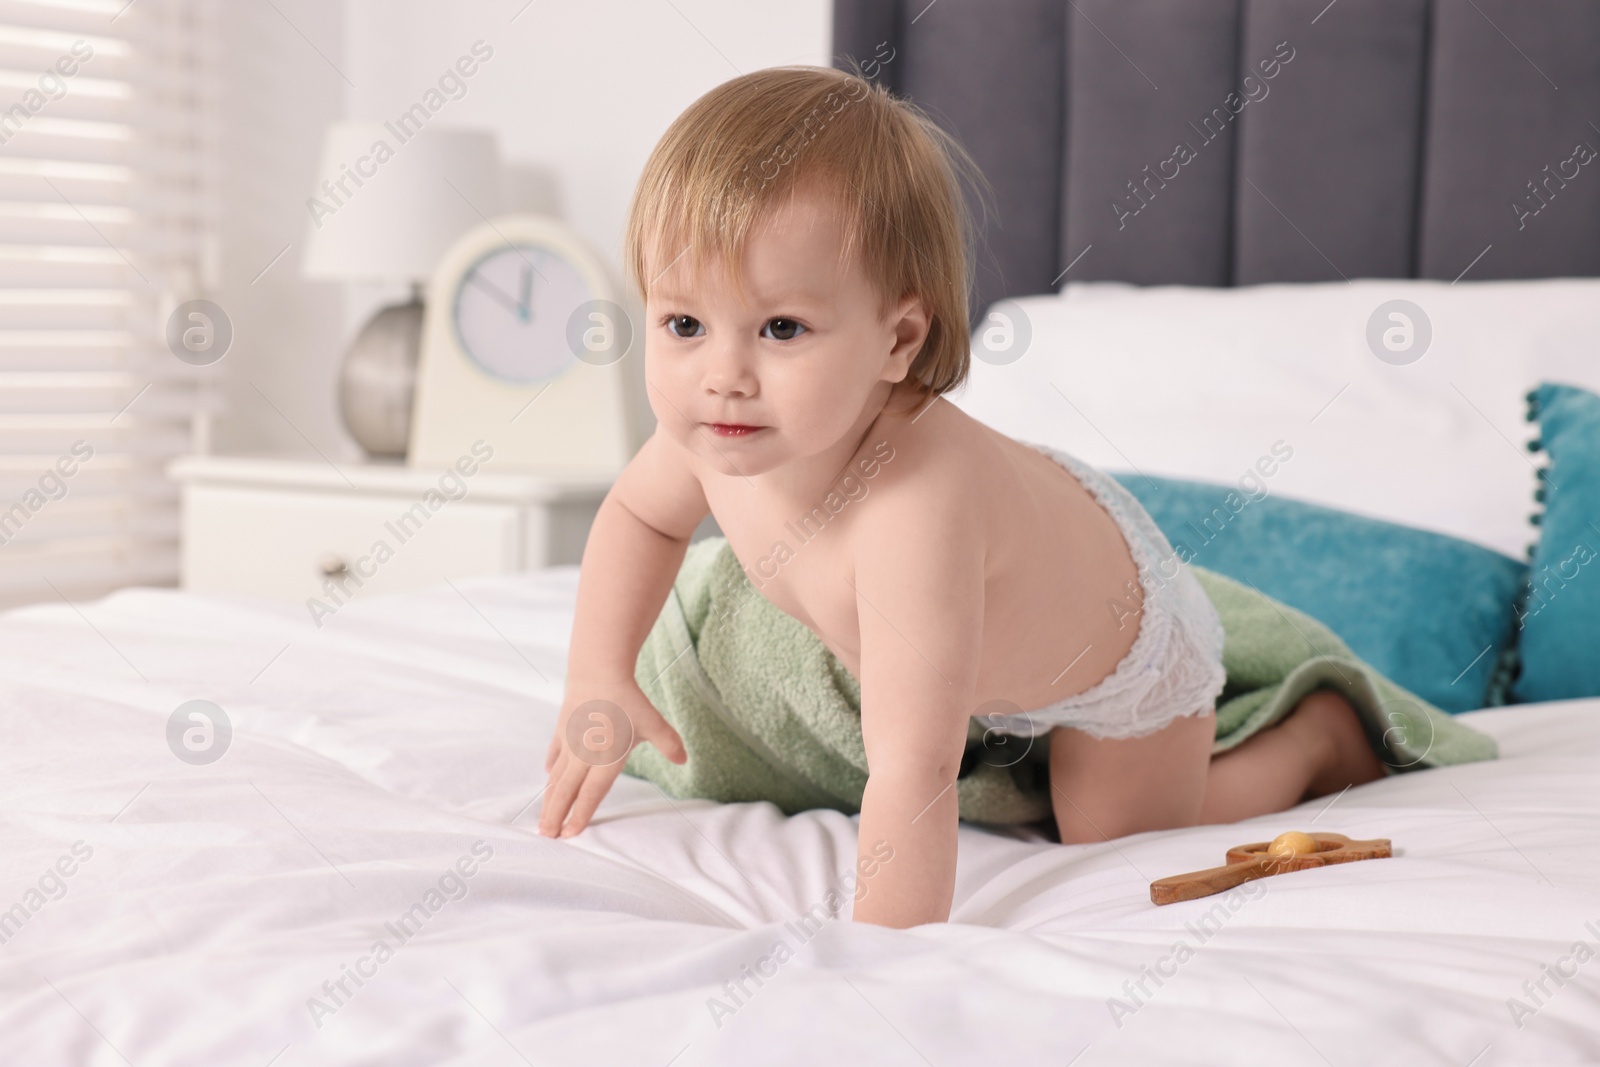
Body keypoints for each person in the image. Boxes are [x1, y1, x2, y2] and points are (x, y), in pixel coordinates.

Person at [538, 65, 1386, 928]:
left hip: (1122, 630)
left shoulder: (912, 511)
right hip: (1022, 536)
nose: (722, 377)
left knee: (1113, 835)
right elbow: (638, 517)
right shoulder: (712, 434)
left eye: (781, 328)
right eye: (684, 324)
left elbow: (911, 774)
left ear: (898, 339)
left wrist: (881, 962)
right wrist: (599, 671)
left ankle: (1312, 737)